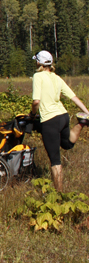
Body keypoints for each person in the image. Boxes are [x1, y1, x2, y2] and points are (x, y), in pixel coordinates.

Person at [29, 50, 89, 191]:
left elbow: (36, 101)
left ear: (39, 63)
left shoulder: (38, 76)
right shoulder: (56, 78)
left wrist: (32, 113)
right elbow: (73, 97)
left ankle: (59, 196)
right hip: (63, 116)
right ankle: (82, 122)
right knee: (67, 144)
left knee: (55, 161)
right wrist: (87, 112)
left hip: (50, 120)